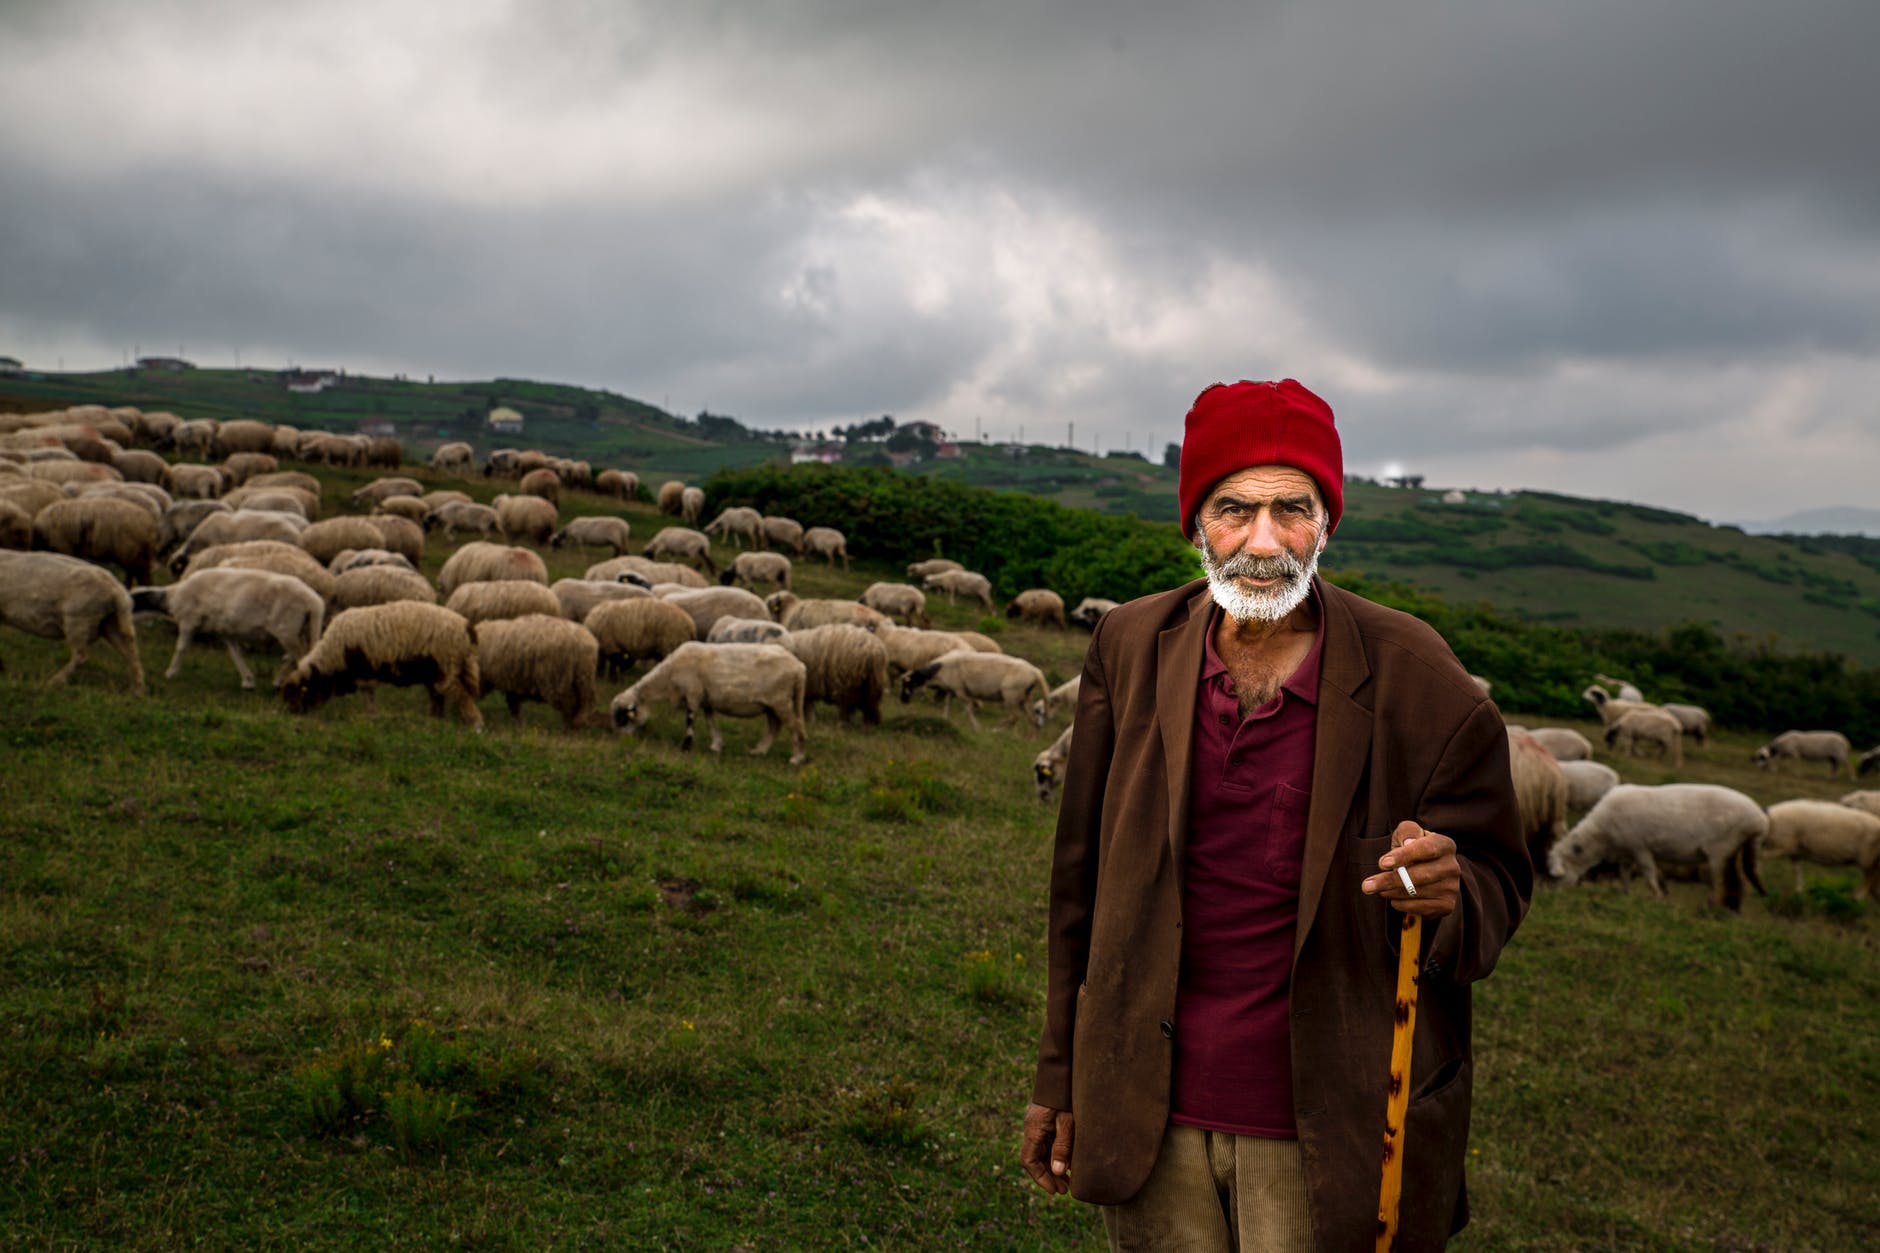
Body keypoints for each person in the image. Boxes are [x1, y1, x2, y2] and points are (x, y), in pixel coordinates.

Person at [1019, 379, 1531, 1251]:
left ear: (1328, 521)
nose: (1262, 542)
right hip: (1148, 1110)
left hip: (1327, 1124)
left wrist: (1452, 888)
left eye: (1292, 509)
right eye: (1232, 510)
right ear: (1195, 524)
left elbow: (1498, 880)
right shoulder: (1130, 645)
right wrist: (1061, 1075)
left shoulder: (1420, 679)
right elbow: (1081, 884)